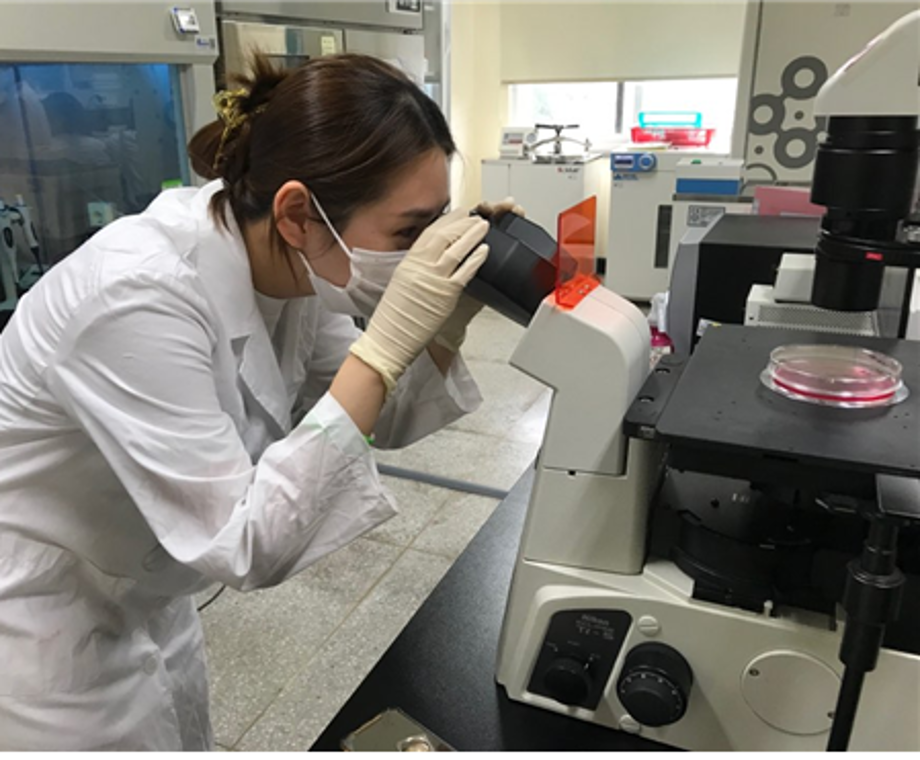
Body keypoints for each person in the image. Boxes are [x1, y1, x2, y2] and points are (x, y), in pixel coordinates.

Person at [0, 53, 509, 750]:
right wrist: (385, 345)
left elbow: (378, 416)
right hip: (42, 615)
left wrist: (446, 323)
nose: (420, 252)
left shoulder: (297, 266)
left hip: (146, 588)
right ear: (299, 213)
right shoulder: (133, 295)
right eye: (406, 233)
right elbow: (246, 540)